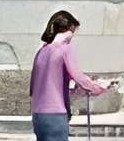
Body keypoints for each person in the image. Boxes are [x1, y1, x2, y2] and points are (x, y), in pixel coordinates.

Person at [29, 11, 108, 141]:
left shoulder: (41, 51)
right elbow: (78, 76)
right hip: (55, 115)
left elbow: (33, 87)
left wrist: (71, 87)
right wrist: (98, 88)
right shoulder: (65, 48)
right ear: (70, 29)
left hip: (38, 115)